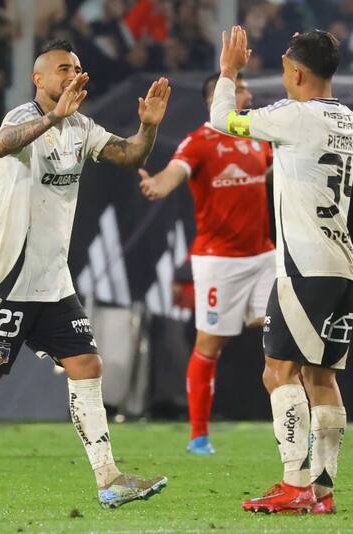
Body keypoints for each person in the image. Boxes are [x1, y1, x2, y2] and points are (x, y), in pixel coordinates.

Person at [0, 38, 171, 510]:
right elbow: (2, 145)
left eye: (76, 68)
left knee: (87, 365)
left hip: (54, 282)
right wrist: (52, 118)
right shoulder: (23, 118)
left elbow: (131, 155)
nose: (72, 74)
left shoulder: (81, 126)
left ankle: (109, 478)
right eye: (62, 68)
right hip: (9, 279)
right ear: (39, 79)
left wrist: (148, 128)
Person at [210, 27, 353, 514]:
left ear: (295, 71)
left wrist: (229, 71)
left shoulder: (293, 116)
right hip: (343, 264)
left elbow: (221, 120)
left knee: (277, 374)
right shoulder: (347, 118)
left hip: (304, 265)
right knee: (321, 376)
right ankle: (322, 491)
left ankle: (295, 484)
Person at [139, 72, 275, 455]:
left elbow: (273, 166)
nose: (249, 94)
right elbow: (175, 171)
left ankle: (298, 425)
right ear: (219, 97)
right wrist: (158, 185)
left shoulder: (255, 135)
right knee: (209, 346)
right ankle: (198, 436)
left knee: (286, 339)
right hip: (219, 263)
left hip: (264, 256)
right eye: (242, 88)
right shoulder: (199, 142)